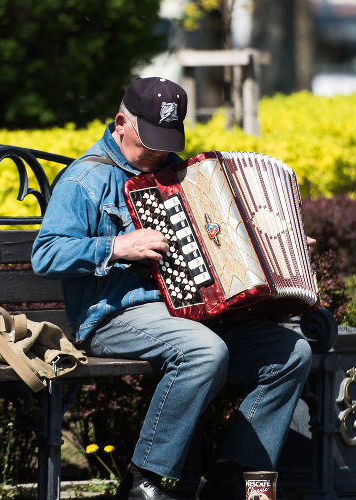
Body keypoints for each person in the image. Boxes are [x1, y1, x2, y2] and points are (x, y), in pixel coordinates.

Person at [31, 76, 313, 500]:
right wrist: (116, 245)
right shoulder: (85, 179)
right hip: (116, 315)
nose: (159, 152)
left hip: (195, 313)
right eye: (149, 140)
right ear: (120, 123)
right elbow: (45, 254)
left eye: (167, 140)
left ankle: (232, 477)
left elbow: (225, 238)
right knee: (204, 350)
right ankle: (147, 479)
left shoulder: (184, 175)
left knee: (291, 354)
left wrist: (278, 243)